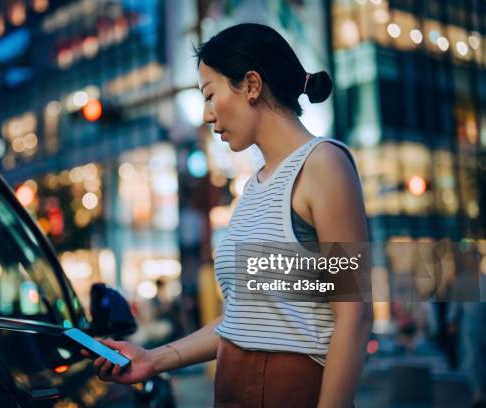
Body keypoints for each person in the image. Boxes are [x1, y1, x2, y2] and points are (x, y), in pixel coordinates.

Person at [81, 23, 372, 407]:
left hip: (293, 391)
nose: (206, 114)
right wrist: (153, 359)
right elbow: (243, 321)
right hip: (234, 388)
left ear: (251, 85)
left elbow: (354, 315)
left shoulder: (324, 164)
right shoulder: (254, 187)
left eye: (210, 95)